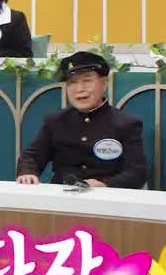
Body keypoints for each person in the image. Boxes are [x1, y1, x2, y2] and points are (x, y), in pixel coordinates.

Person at [16, 51, 147, 189]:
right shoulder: (55, 121)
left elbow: (136, 173)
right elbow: (32, 156)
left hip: (106, 196)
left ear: (104, 83)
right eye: (72, 82)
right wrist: (27, 172)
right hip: (62, 194)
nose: (80, 89)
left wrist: (105, 184)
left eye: (87, 81)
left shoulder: (126, 124)